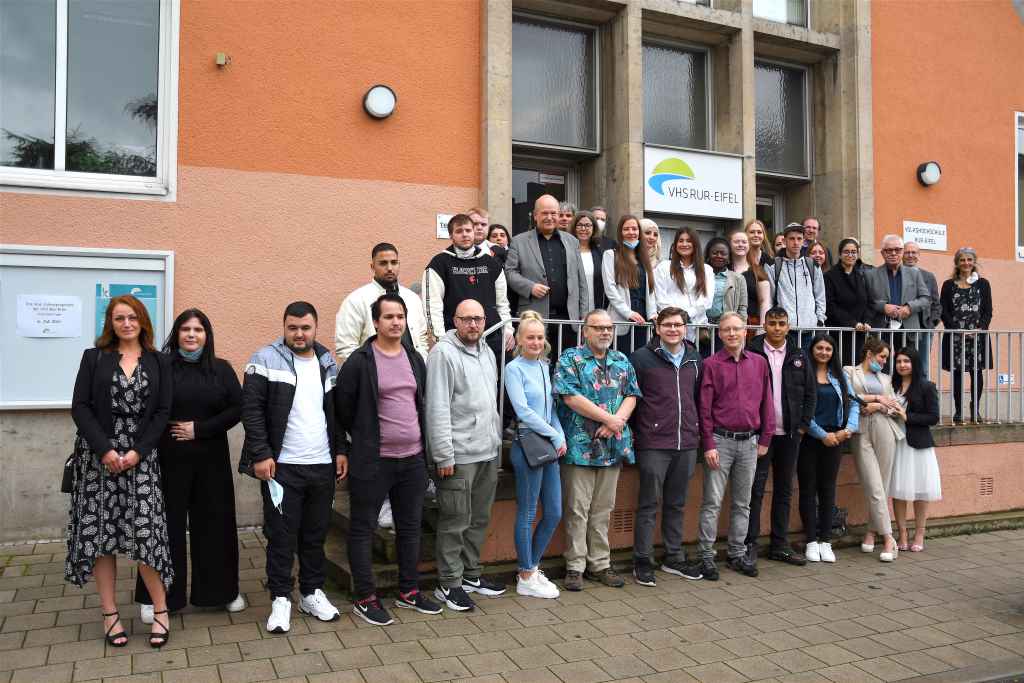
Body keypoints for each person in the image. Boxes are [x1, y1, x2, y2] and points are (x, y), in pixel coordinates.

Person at [68, 295, 173, 649]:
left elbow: (162, 411)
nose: (126, 323)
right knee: (102, 538)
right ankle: (110, 614)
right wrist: (106, 450)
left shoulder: (159, 361)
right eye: (118, 318)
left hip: (141, 459)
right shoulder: (94, 358)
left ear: (142, 321)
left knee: (145, 535)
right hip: (99, 458)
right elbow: (80, 406)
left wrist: (137, 451)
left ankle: (161, 610)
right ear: (109, 323)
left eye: (132, 317)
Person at [334, 294, 440, 625]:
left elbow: (419, 405)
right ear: (375, 322)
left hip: (411, 460)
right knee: (363, 528)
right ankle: (366, 597)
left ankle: (409, 591)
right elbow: (342, 411)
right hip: (374, 461)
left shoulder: (414, 358)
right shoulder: (360, 362)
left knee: (409, 528)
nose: (395, 322)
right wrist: (351, 447)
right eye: (388, 317)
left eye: (400, 316)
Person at [240, 301, 344, 634]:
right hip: (282, 467)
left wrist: (342, 451)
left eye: (305, 328)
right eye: (292, 328)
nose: (299, 334)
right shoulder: (264, 359)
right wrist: (260, 454)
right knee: (282, 537)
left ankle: (311, 593)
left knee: (315, 536)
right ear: (284, 327)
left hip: (322, 465)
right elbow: (252, 410)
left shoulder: (328, 361)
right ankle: (281, 599)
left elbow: (336, 413)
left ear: (315, 328)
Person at [135, 309, 244, 624]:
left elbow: (237, 408)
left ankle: (222, 592)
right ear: (176, 333)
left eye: (198, 329)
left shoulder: (221, 369)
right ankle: (155, 597)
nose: (192, 335)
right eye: (186, 329)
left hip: (211, 460)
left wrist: (201, 428)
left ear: (207, 335)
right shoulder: (160, 366)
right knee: (163, 528)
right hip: (167, 460)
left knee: (215, 525)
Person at [426, 299, 506, 611]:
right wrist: (444, 455)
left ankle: (471, 574)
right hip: (459, 455)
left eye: (478, 318)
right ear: (455, 321)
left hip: (487, 449)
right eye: (466, 319)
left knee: (479, 518)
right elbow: (437, 407)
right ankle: (449, 583)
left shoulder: (486, 350)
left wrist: (496, 438)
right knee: (454, 520)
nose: (473, 325)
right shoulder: (443, 354)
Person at [554, 309, 641, 591]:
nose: (605, 332)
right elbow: (570, 397)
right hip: (580, 448)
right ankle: (575, 566)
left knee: (603, 509)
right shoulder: (570, 358)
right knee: (577, 509)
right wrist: (608, 419)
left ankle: (600, 564)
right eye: (599, 327)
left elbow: (631, 395)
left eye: (609, 328)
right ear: (585, 331)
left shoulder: (621, 359)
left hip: (612, 447)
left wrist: (617, 423)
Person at [628, 308, 705, 585]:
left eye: (678, 325)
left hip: (686, 442)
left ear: (686, 328)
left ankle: (674, 557)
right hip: (653, 442)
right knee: (648, 504)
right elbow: (632, 399)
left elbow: (697, 399)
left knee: (677, 503)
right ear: (657, 328)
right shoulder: (640, 358)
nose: (673, 329)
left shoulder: (696, 358)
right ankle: (642, 561)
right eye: (668, 325)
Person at [697, 312, 774, 580]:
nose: (731, 334)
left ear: (746, 332)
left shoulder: (760, 363)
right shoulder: (711, 364)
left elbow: (768, 402)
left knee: (743, 503)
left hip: (750, 442)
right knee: (712, 502)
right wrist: (708, 443)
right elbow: (704, 409)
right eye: (726, 330)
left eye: (736, 329)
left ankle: (736, 554)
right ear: (719, 334)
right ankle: (706, 556)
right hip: (720, 441)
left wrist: (765, 437)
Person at [743, 307, 815, 566]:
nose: (776, 328)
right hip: (761, 435)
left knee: (784, 489)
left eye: (781, 323)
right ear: (764, 324)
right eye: (772, 323)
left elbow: (810, 392)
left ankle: (779, 543)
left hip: (790, 434)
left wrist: (804, 425)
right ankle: (749, 543)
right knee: (755, 490)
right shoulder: (751, 350)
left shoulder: (798, 354)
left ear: (788, 326)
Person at [504, 311, 566, 599]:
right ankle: (525, 574)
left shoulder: (544, 365)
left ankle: (533, 566)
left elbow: (550, 407)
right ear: (519, 339)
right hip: (529, 446)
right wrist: (553, 435)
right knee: (528, 512)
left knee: (553, 511)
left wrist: (559, 434)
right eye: (530, 337)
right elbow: (524, 411)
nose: (536, 342)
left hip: (549, 445)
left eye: (540, 337)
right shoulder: (513, 369)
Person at [800, 334, 859, 563]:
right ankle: (811, 541)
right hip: (812, 438)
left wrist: (849, 429)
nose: (824, 352)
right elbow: (803, 408)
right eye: (819, 348)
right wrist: (822, 435)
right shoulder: (805, 374)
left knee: (828, 489)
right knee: (808, 489)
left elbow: (853, 402)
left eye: (828, 348)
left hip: (836, 438)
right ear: (812, 350)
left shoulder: (840, 375)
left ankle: (826, 540)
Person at [506, 194, 590, 356]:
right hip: (534, 319)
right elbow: (510, 272)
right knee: (535, 364)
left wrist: (584, 317)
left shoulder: (572, 241)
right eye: (545, 213)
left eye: (554, 213)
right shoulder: (519, 241)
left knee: (567, 367)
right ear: (535, 215)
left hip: (568, 319)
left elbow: (581, 282)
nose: (550, 217)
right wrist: (530, 287)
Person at [844, 336, 904, 563]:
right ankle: (889, 538)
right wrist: (877, 398)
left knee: (883, 483)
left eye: (886, 358)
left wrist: (879, 406)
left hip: (884, 427)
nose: (885, 362)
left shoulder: (886, 378)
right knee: (873, 484)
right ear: (869, 354)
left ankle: (871, 531)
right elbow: (849, 396)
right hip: (860, 430)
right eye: (882, 356)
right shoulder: (850, 371)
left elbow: (893, 406)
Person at [423, 213, 513, 359]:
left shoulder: (491, 263)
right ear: (451, 235)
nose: (464, 235)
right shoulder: (438, 264)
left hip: (492, 338)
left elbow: (502, 303)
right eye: (459, 231)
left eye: (468, 230)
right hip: (456, 341)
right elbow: (432, 306)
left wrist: (508, 330)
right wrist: (440, 340)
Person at [336, 243, 429, 363]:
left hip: (411, 374)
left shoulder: (412, 299)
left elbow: (421, 340)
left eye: (394, 262)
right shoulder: (356, 300)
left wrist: (420, 366)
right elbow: (346, 347)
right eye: (383, 263)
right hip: (373, 376)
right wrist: (368, 374)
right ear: (372, 266)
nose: (390, 268)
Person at [890, 347, 941, 553]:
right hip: (896, 443)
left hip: (918, 445)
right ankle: (901, 533)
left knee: (921, 490)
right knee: (899, 491)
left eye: (906, 361)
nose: (902, 365)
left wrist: (906, 416)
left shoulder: (926, 386)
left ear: (915, 364)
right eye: (899, 361)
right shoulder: (891, 385)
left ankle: (920, 532)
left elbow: (933, 417)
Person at [941, 247, 993, 424]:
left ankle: (975, 408)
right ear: (957, 262)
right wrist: (957, 329)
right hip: (956, 336)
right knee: (957, 374)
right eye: (962, 260)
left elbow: (988, 311)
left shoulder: (983, 284)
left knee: (976, 373)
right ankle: (958, 410)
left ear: (974, 262)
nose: (966, 263)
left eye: (969, 259)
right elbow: (944, 311)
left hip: (977, 336)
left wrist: (981, 328)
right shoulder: (948, 285)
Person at [866, 234, 932, 352]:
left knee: (907, 367)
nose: (893, 253)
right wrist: (883, 307)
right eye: (889, 250)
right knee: (882, 368)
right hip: (881, 330)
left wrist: (910, 307)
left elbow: (926, 299)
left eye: (897, 250)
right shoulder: (871, 274)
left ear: (902, 252)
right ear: (882, 253)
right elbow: (866, 300)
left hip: (908, 330)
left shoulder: (914, 273)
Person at [603, 215, 657, 353]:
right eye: (626, 229)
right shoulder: (611, 255)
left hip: (643, 321)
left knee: (640, 363)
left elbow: (650, 290)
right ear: (620, 233)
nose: (631, 232)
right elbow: (610, 289)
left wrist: (652, 314)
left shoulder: (644, 259)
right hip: (623, 319)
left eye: (634, 229)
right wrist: (628, 313)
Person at [654, 228, 713, 346]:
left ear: (695, 244)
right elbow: (660, 297)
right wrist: (677, 318)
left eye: (688, 241)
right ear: (675, 244)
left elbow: (707, 300)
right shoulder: (664, 267)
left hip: (697, 330)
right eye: (680, 241)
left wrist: (688, 314)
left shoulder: (706, 269)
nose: (684, 244)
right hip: (670, 328)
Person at [766, 223, 826, 335]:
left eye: (799, 239)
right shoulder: (773, 266)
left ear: (803, 241)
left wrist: (819, 320)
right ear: (784, 241)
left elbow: (820, 296)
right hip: (784, 330)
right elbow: (769, 298)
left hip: (810, 330)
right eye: (792, 239)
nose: (796, 242)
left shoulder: (812, 265)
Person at [824, 238, 872, 366]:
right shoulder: (830, 276)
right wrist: (852, 323)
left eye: (853, 252)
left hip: (859, 335)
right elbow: (830, 306)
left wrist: (867, 321)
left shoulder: (861, 275)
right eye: (846, 252)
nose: (850, 255)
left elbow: (868, 302)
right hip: (838, 333)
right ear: (840, 254)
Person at [902, 242, 942, 378]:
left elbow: (936, 302)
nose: (910, 255)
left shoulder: (928, 276)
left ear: (918, 255)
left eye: (914, 252)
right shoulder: (896, 274)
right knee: (902, 365)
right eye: (907, 252)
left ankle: (921, 396)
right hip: (902, 329)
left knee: (922, 366)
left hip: (924, 329)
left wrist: (931, 324)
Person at [704, 237, 748, 352]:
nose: (719, 256)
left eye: (723, 253)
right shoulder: (700, 276)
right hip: (703, 330)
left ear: (729, 258)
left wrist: (740, 331)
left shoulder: (738, 278)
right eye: (715, 253)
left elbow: (742, 308)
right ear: (708, 255)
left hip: (727, 330)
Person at [729, 229, 770, 330]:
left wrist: (761, 329)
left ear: (749, 245)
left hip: (751, 325)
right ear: (730, 245)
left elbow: (764, 302)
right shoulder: (724, 270)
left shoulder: (758, 271)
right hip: (727, 325)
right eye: (736, 242)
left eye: (744, 242)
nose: (740, 245)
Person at [570, 211, 608, 311]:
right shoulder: (567, 250)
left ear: (594, 228)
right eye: (580, 225)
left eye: (587, 225)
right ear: (574, 227)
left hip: (596, 306)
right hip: (572, 308)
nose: (583, 229)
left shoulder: (600, 252)